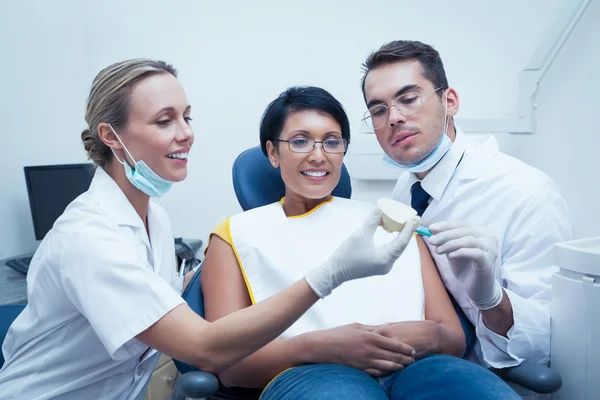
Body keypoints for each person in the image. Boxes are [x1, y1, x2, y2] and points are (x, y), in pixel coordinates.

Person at [0, 59, 417, 400]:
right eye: (165, 121)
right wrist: (332, 274)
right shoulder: (89, 238)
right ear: (111, 135)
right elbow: (205, 347)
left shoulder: (154, 219)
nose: (186, 134)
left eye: (186, 116)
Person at [201, 86, 520, 399]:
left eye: (331, 142)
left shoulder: (394, 219)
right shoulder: (236, 235)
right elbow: (228, 363)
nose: (318, 156)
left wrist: (426, 334)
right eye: (300, 141)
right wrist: (321, 347)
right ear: (273, 152)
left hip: (418, 365)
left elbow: (452, 338)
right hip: (311, 373)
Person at [360, 40, 573, 369]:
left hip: (486, 373)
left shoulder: (527, 194)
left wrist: (492, 298)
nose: (394, 118)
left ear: (450, 101)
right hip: (421, 363)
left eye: (409, 99)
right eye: (378, 109)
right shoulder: (407, 187)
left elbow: (546, 345)